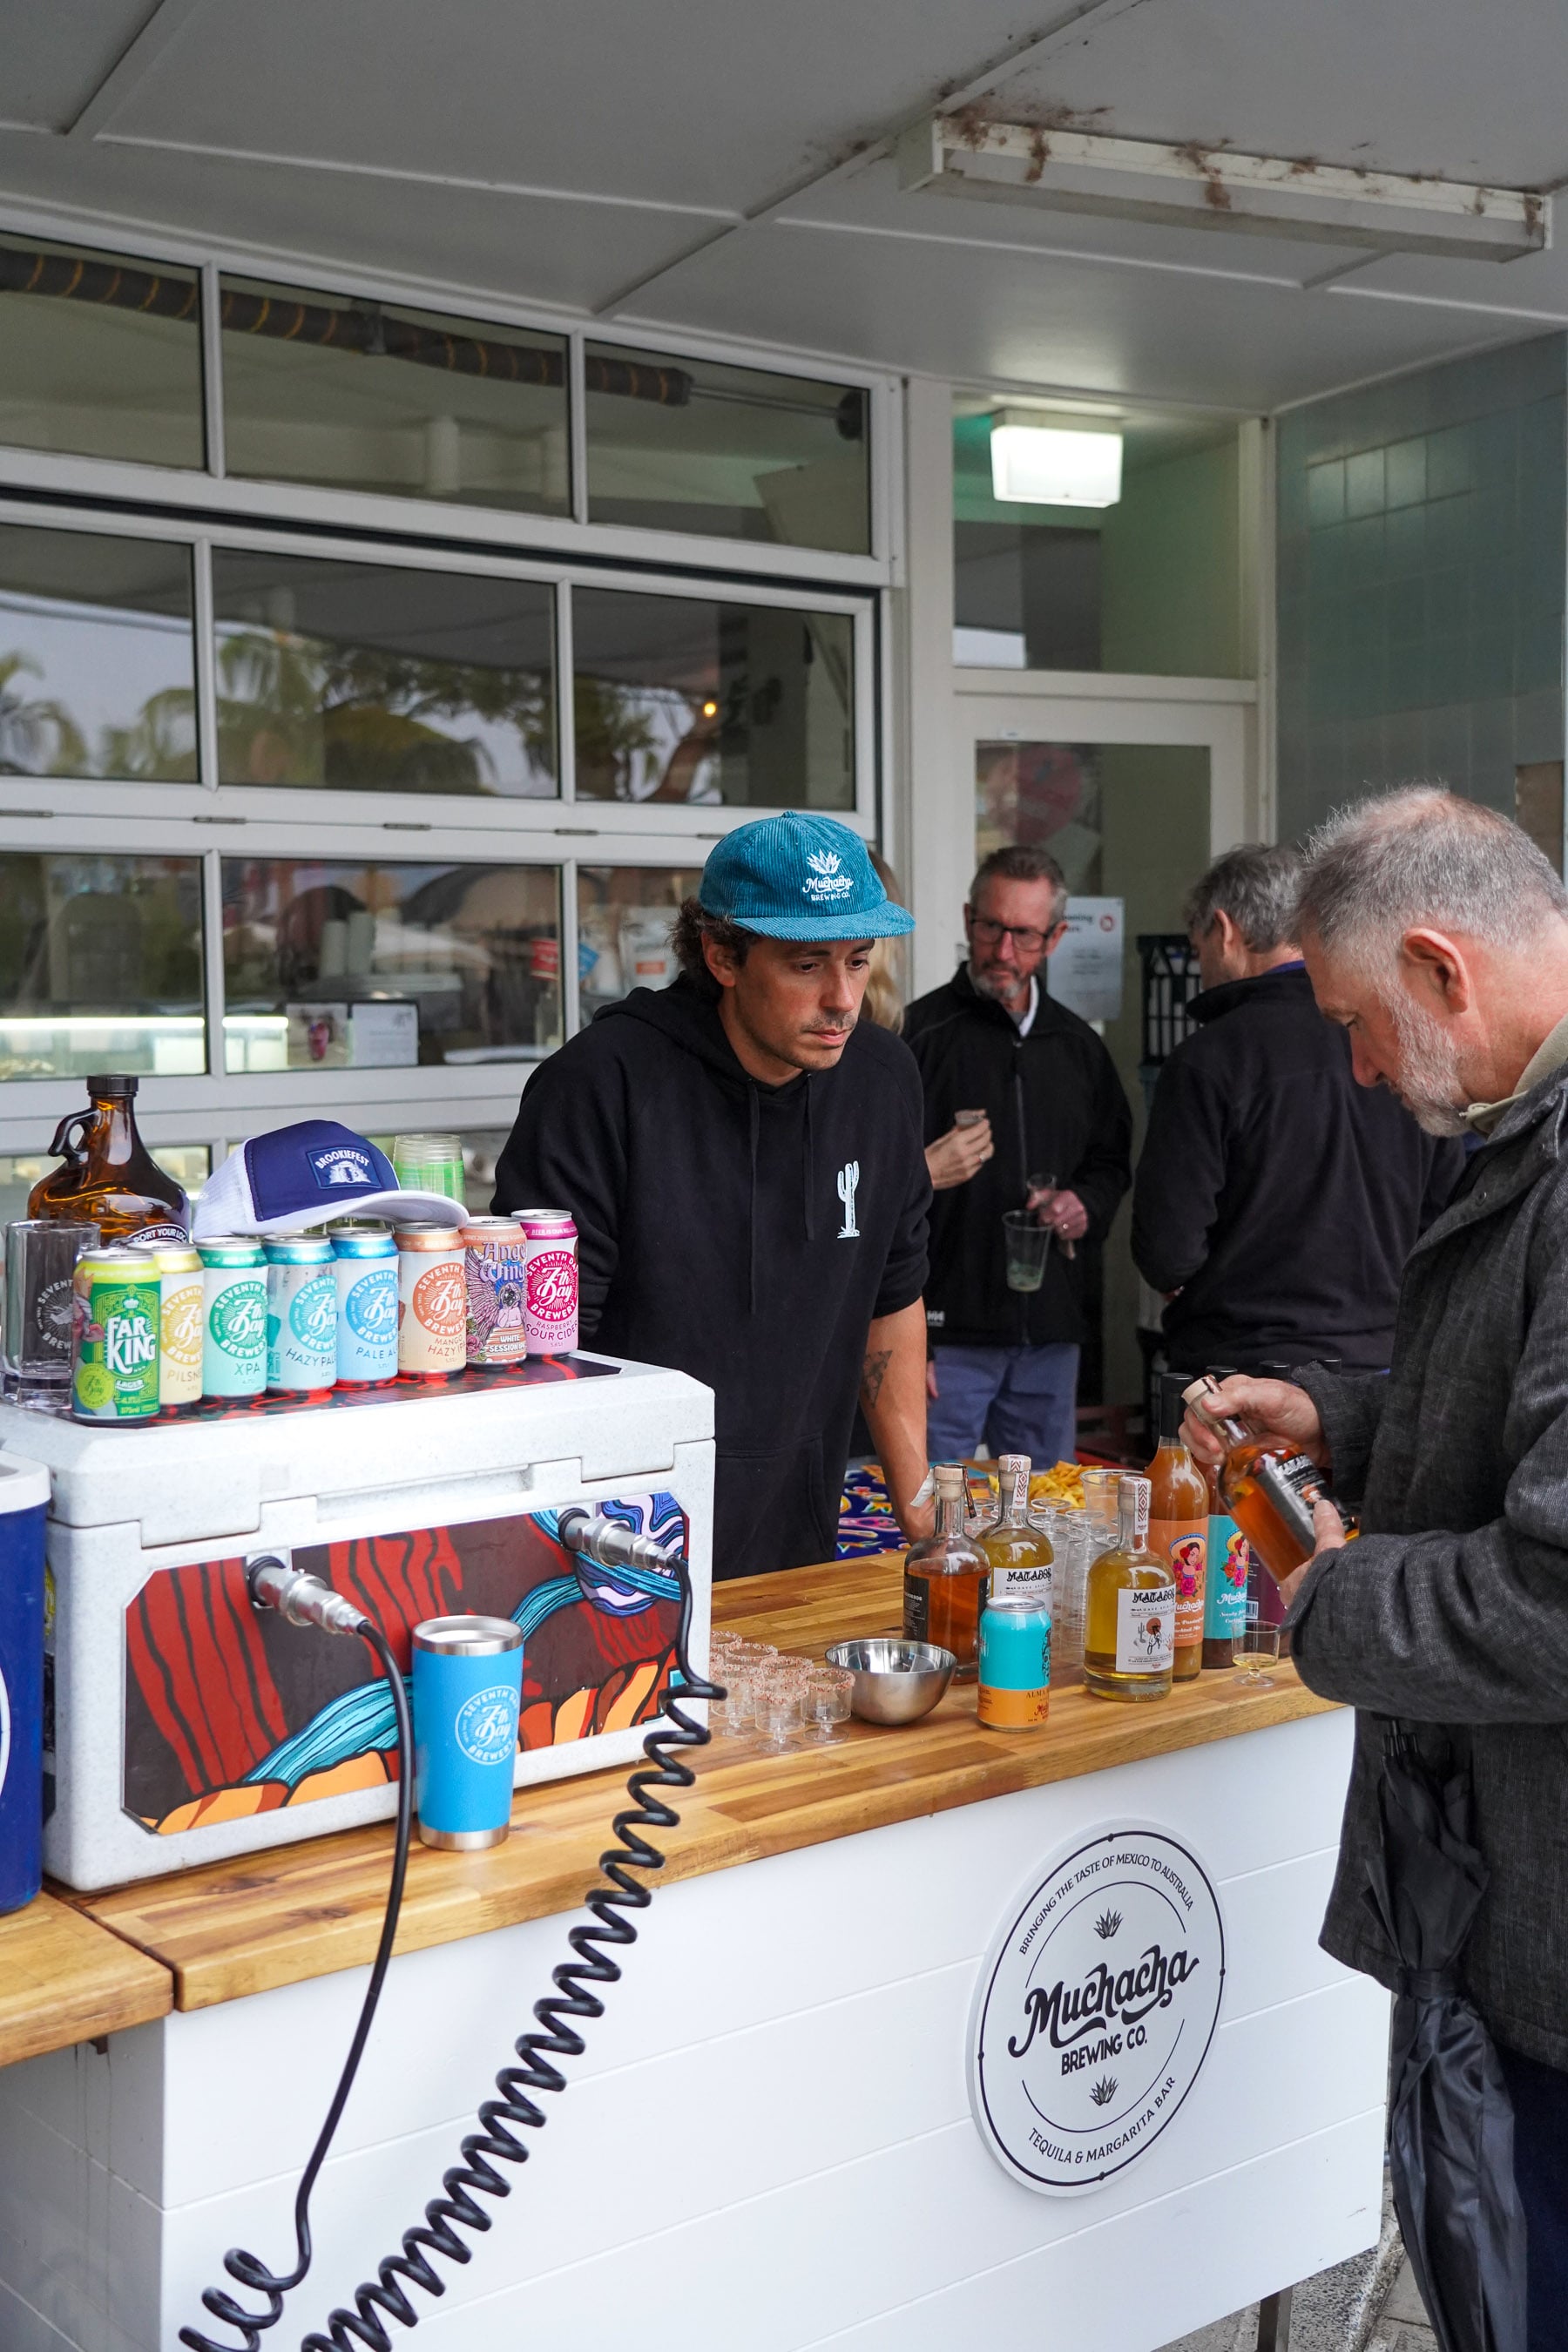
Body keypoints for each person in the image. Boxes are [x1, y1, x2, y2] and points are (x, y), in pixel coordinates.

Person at [1182, 787, 1568, 2347]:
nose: (1349, 1064)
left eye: (1353, 1020)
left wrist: (1333, 1599)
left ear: (1438, 966)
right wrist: (1342, 1418)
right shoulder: (1521, 1131)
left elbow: (1558, 1592)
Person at [492, 812, 933, 1580]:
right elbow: (545, 1355)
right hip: (618, 1546)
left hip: (799, 1544)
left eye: (858, 962)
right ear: (722, 955)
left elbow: (891, 1300)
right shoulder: (601, 1084)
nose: (842, 999)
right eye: (807, 966)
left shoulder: (883, 1082)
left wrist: (923, 1516)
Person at [1132, 842, 1463, 1374]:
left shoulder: (1208, 1060)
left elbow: (1167, 1251)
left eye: (1198, 950)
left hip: (1241, 1372)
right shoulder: (1398, 1040)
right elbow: (1448, 1207)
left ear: (1226, 930)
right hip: (1380, 1367)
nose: (1202, 968)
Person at [903, 843, 1132, 1469]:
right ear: (967, 917)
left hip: (1049, 1335)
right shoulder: (913, 1039)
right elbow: (866, 1188)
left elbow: (1112, 1163)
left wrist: (1086, 1204)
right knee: (925, 1526)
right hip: (942, 1340)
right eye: (991, 928)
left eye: (1024, 935)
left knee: (1040, 1527)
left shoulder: (1079, 1047)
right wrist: (906, 1334)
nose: (1004, 952)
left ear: (1054, 938)